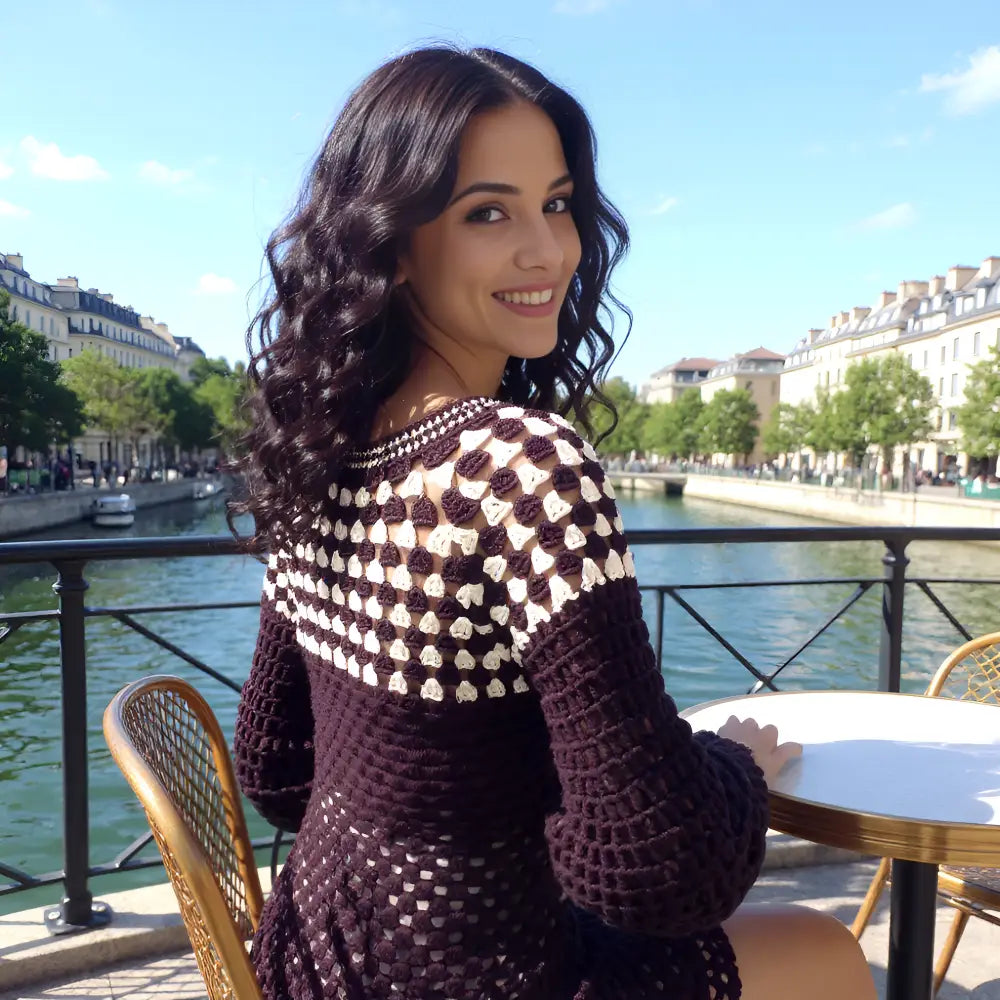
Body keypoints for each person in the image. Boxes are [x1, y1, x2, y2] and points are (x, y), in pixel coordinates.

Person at [230, 46, 876, 1000]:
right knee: (829, 954)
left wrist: (478, 783)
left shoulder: (323, 451)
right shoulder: (517, 464)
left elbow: (277, 769)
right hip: (484, 974)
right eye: (488, 212)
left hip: (318, 957)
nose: (549, 250)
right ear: (394, 244)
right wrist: (736, 763)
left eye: (559, 203)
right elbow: (659, 866)